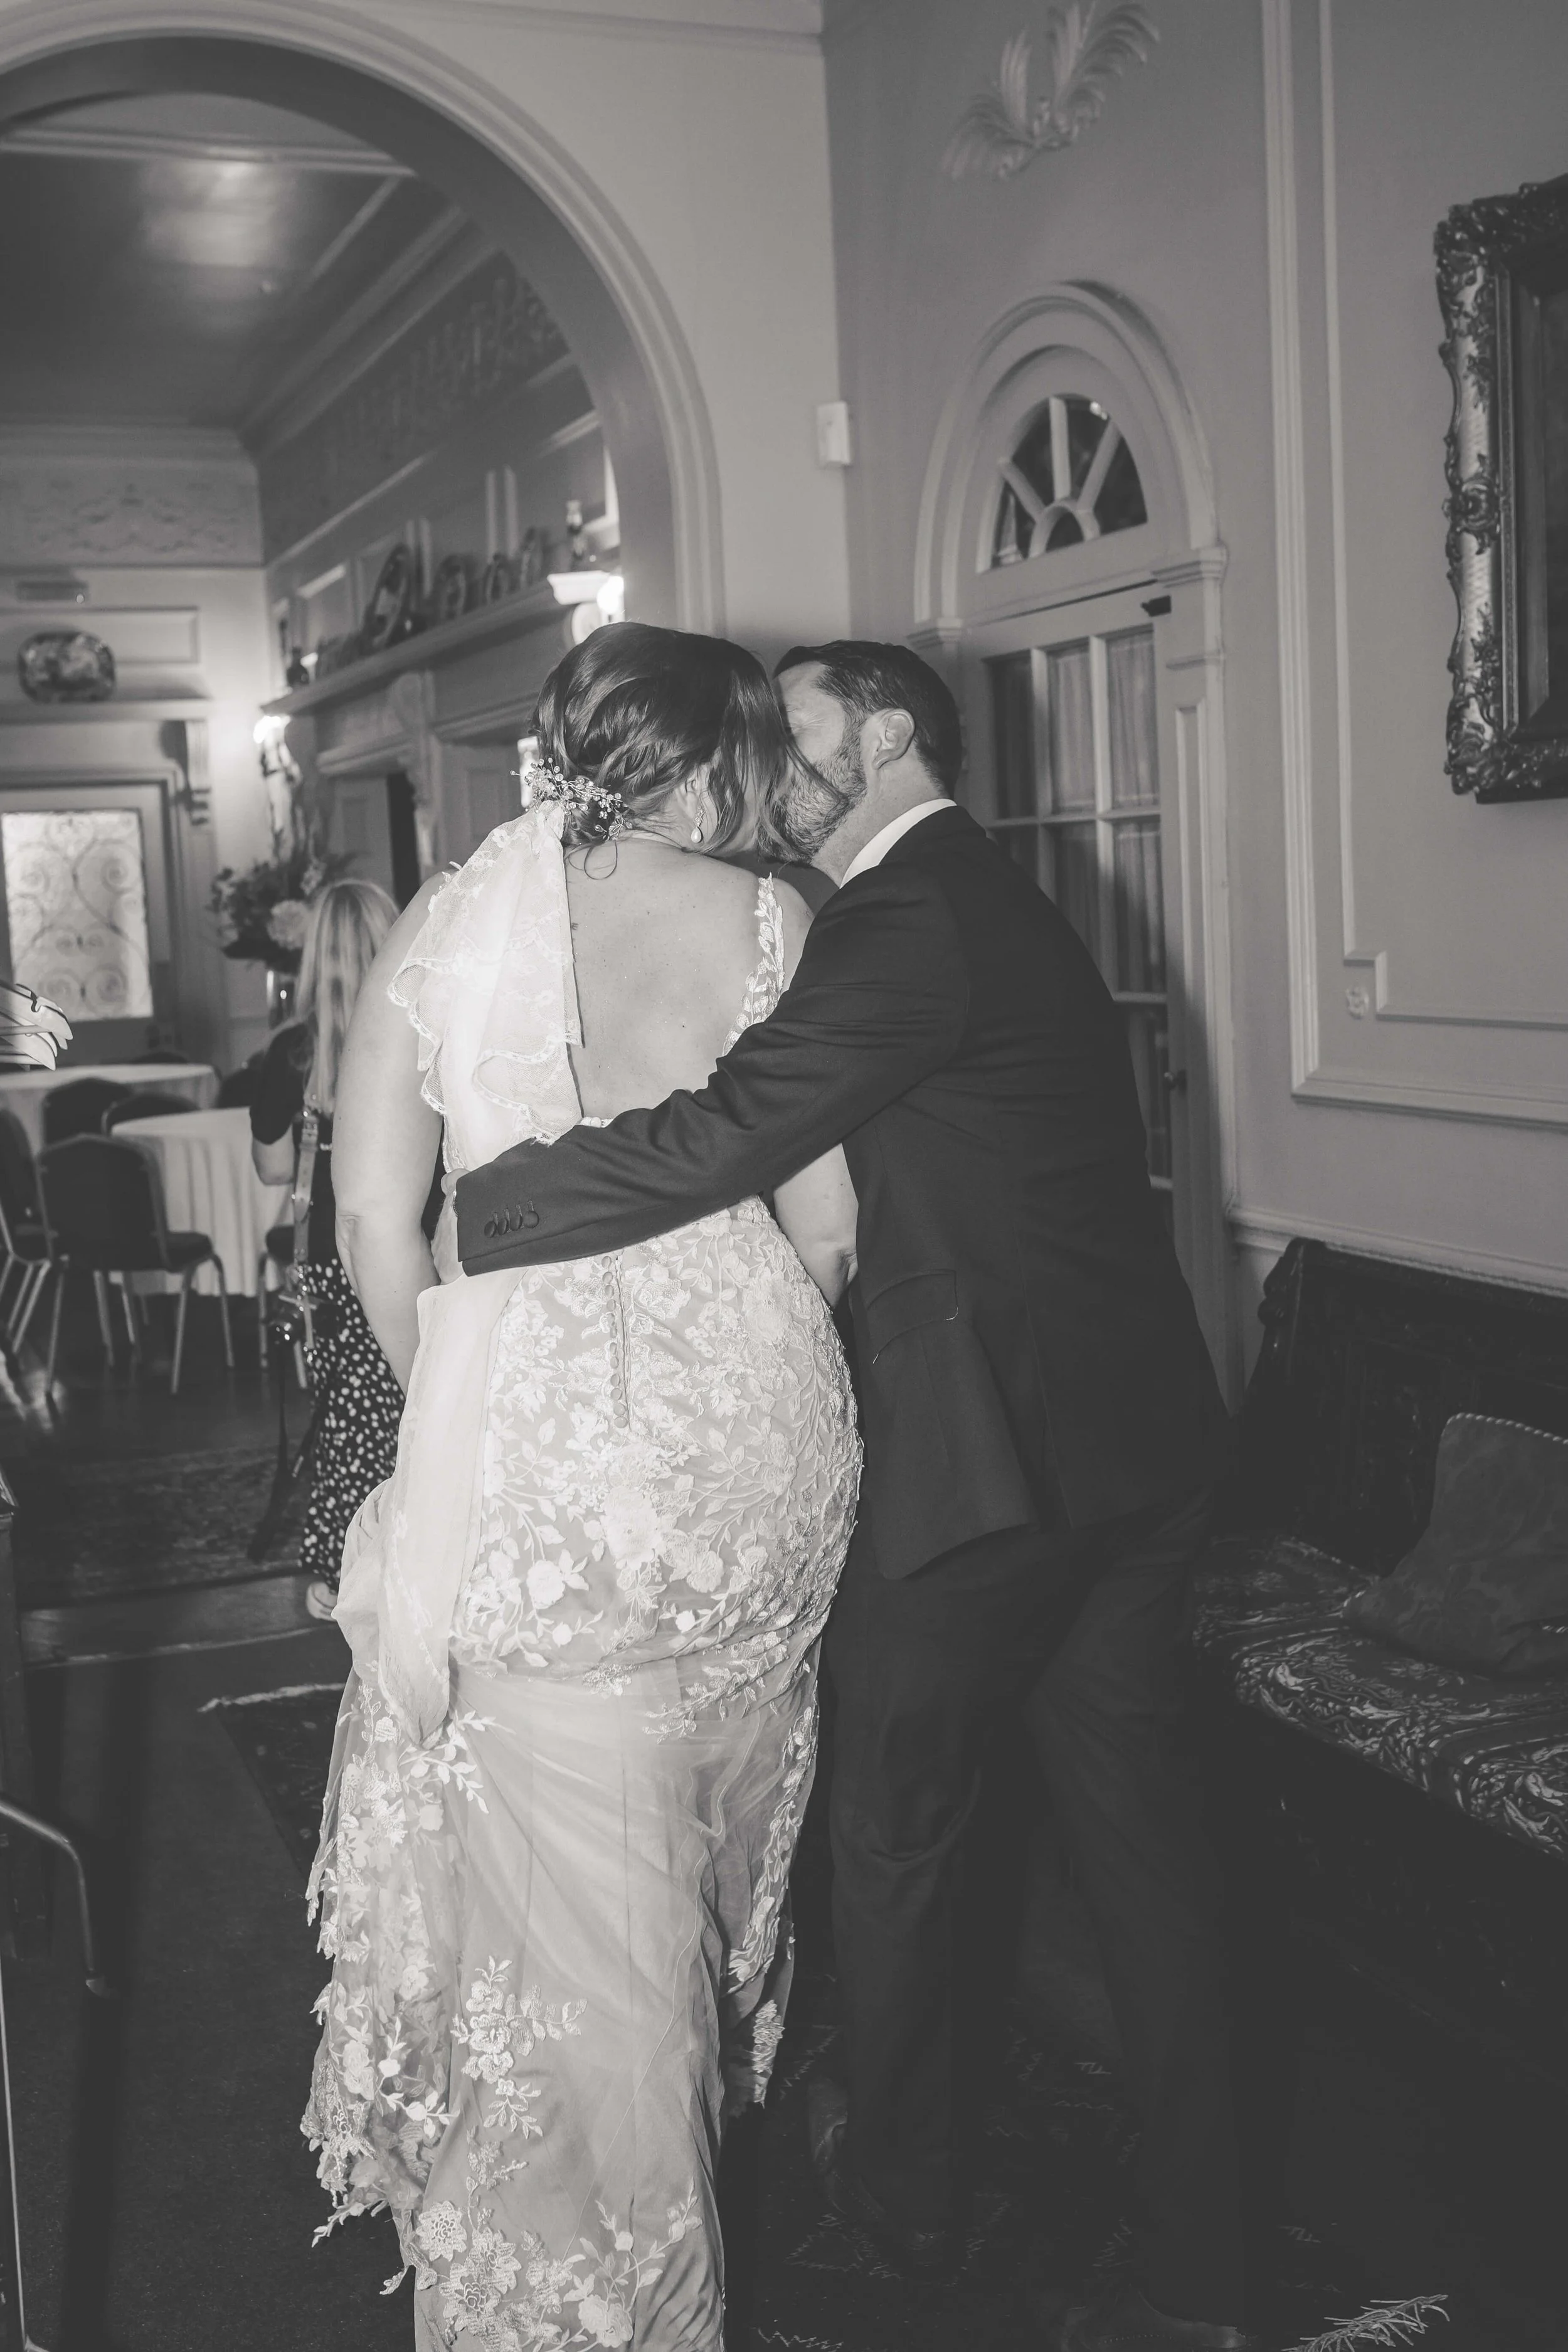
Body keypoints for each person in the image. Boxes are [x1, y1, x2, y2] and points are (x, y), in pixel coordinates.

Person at [453, 641, 1254, 2352]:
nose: (773, 752)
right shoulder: (990, 894)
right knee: (1143, 1850)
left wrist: (494, 1201)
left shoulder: (909, 917)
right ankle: (1212, 2245)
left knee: (894, 1843)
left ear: (884, 730)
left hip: (989, 1478)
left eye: (799, 722)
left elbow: (734, 1126)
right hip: (1133, 1450)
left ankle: (898, 2221)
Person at [302, 623, 861, 2351]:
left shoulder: (441, 917)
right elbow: (830, 1225)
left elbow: (370, 1219)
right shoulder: (777, 917)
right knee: (703, 1861)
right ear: (712, 758)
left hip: (529, 1470)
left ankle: (597, 2286)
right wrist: (738, 1362)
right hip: (747, 1463)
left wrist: (461, 1396)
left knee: (577, 1945)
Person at [251, 879, 405, 1623]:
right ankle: (421, 1549)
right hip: (416, 1243)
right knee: (417, 1406)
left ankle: (349, 1564)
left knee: (343, 1418)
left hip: (328, 1260)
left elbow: (274, 1169)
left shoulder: (291, 1053)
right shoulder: (419, 1028)